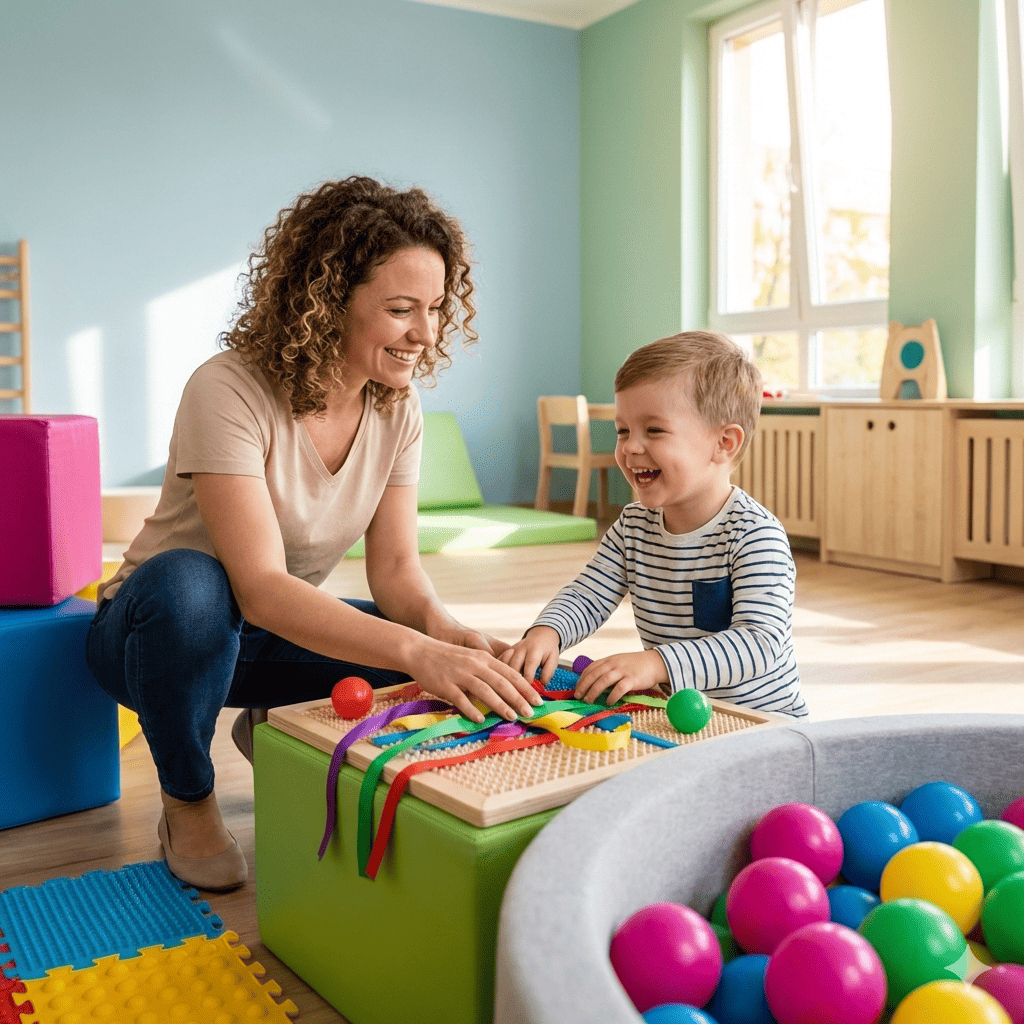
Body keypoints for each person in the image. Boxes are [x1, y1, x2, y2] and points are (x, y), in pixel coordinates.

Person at [87, 176, 541, 892]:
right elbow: (262, 588)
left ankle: (275, 731)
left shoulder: (398, 409)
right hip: (154, 636)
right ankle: (188, 798)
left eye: (434, 309)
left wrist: (446, 636)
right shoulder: (228, 388)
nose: (425, 335)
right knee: (193, 585)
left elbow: (395, 573)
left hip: (256, 642)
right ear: (328, 301)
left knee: (417, 667)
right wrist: (420, 651)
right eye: (400, 310)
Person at [501, 331, 807, 718]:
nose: (629, 446)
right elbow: (588, 594)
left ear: (724, 443)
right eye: (623, 430)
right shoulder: (633, 526)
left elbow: (759, 644)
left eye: (654, 430)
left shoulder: (754, 535)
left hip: (763, 728)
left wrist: (656, 664)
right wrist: (548, 632)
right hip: (682, 722)